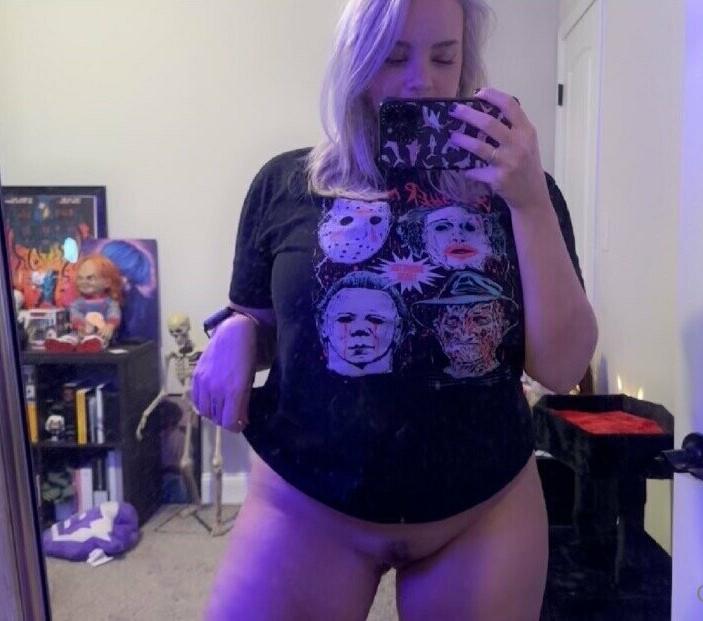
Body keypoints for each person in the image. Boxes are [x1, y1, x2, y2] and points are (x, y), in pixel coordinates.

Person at [191, 0, 597, 618]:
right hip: (306, 500)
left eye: (444, 58)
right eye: (393, 57)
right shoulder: (284, 183)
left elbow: (563, 368)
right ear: (355, 62)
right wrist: (239, 330)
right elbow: (269, 320)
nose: (421, 81)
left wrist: (530, 200)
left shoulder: (519, 192)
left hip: (480, 508)